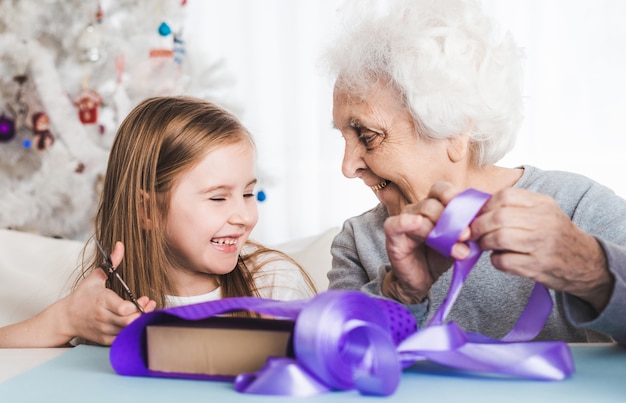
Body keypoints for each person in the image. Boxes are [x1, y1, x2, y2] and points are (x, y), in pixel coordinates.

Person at [325, 0, 626, 345]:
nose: (348, 167)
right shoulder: (359, 240)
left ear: (453, 130)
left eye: (367, 136)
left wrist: (589, 267)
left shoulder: (577, 208)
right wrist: (400, 295)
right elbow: (331, 356)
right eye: (343, 137)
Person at [0, 96, 316, 348]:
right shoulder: (106, 306)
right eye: (218, 198)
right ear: (146, 209)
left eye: (248, 193)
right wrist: (66, 319)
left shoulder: (274, 286)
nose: (245, 216)